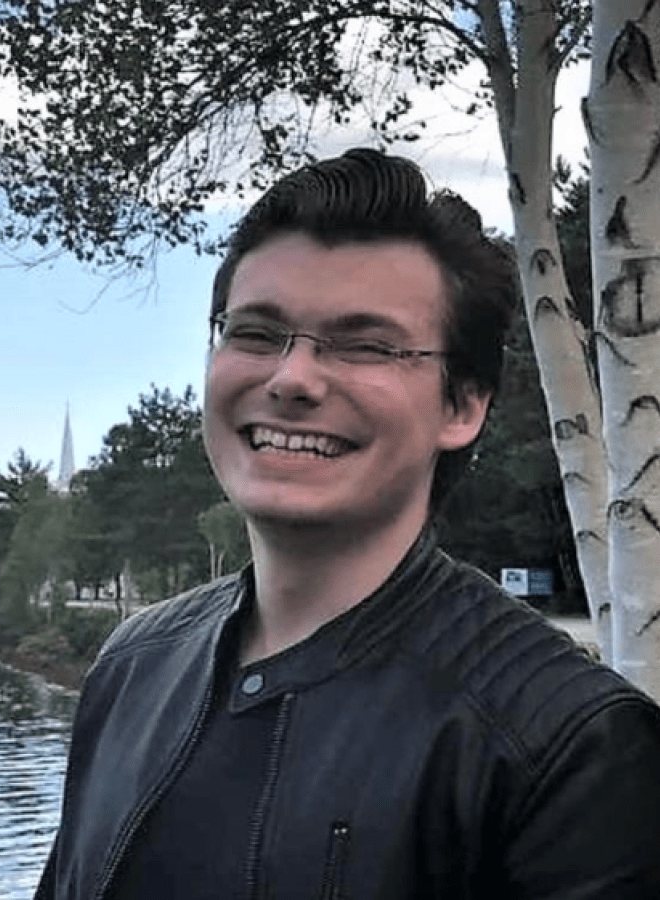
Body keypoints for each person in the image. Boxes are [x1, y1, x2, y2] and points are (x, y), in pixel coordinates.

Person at [35, 148, 660, 899]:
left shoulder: (566, 749)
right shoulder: (134, 665)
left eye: (366, 345)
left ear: (462, 405)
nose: (292, 378)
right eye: (257, 333)